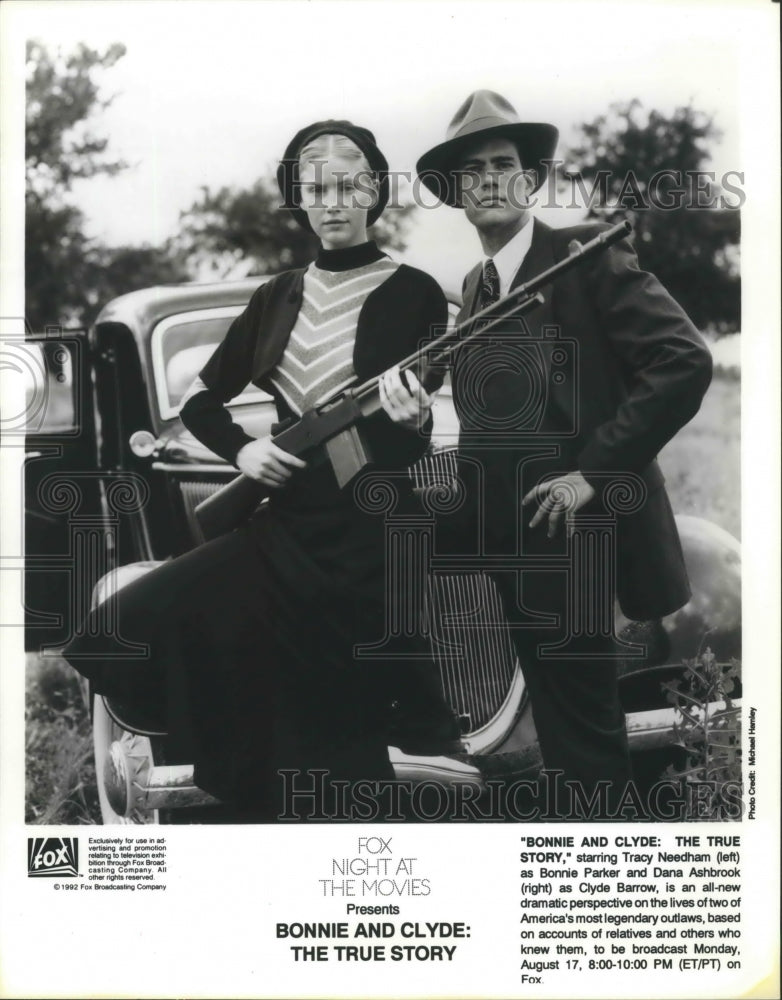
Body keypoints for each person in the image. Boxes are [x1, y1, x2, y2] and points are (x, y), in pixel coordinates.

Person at [64, 119, 460, 819]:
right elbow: (201, 400)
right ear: (299, 199)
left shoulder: (416, 292)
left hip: (373, 535)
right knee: (121, 619)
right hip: (286, 526)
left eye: (348, 185)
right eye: (317, 189)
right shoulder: (277, 294)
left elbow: (412, 432)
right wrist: (244, 451)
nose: (333, 202)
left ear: (374, 191)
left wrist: (415, 419)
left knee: (335, 735)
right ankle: (198, 754)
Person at [415, 91, 713, 814]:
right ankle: (422, 740)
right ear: (455, 194)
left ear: (532, 180)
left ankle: (597, 868)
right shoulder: (475, 287)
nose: (487, 180)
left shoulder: (585, 255)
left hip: (565, 531)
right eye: (470, 172)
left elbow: (683, 362)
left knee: (579, 731)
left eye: (503, 166)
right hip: (498, 516)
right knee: (359, 541)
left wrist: (593, 474)